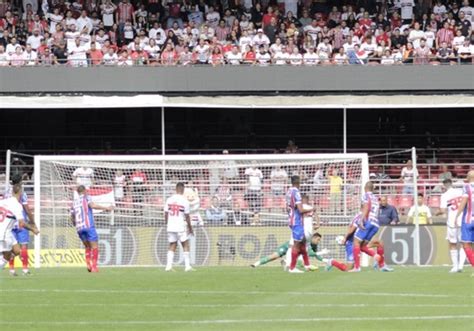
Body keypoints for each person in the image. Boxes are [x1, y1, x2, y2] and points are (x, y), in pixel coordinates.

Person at [351, 181, 392, 272]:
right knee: (363, 246)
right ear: (373, 189)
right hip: (376, 223)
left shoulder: (366, 195)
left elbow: (366, 207)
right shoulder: (376, 198)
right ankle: (380, 262)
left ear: (365, 188)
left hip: (368, 221)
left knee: (356, 242)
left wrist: (362, 219)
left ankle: (357, 267)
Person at [70, 185, 113, 273]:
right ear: (85, 191)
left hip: (79, 228)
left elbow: (72, 216)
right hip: (88, 226)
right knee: (94, 247)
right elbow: (92, 205)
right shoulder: (86, 198)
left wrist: (75, 223)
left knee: (87, 246)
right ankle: (94, 267)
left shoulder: (74, 203)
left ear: (78, 192)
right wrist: (106, 208)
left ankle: (88, 264)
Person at [0, 184, 39, 275]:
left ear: (12, 192)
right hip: (3, 233)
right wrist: (33, 229)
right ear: (20, 193)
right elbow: (22, 223)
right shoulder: (17, 205)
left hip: (8, 231)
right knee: (6, 257)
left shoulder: (3, 201)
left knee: (17, 251)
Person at [436, 179, 466, 273]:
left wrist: (437, 213)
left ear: (444, 186)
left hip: (452, 222)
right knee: (463, 243)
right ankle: (461, 265)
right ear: (451, 184)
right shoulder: (460, 191)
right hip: (463, 220)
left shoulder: (444, 195)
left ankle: (455, 266)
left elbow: (443, 210)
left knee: (452, 244)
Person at [286, 175, 314, 273]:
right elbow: (301, 209)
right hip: (296, 221)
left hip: (292, 219)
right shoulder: (296, 192)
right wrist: (312, 209)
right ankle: (292, 268)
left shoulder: (289, 191)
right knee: (297, 244)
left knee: (303, 242)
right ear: (298, 183)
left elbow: (288, 207)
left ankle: (307, 265)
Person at [251, 233, 326, 269]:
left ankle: (287, 262)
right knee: (273, 257)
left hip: (296, 250)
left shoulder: (314, 245)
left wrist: (325, 260)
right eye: (318, 239)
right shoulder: (307, 240)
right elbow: (312, 253)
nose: (318, 241)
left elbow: (315, 255)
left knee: (302, 258)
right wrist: (321, 253)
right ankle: (255, 264)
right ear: (313, 238)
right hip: (288, 246)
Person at [164, 182, 194, 272]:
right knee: (185, 244)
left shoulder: (169, 199)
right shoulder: (185, 201)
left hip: (171, 225)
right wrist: (190, 228)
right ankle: (187, 266)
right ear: (183, 190)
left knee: (172, 244)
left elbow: (165, 213)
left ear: (176, 189)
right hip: (180, 225)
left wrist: (167, 223)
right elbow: (187, 216)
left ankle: (168, 266)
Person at [454, 171, 474, 272]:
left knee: (466, 244)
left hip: (468, 220)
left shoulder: (467, 187)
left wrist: (456, 216)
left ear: (467, 177)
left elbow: (463, 203)